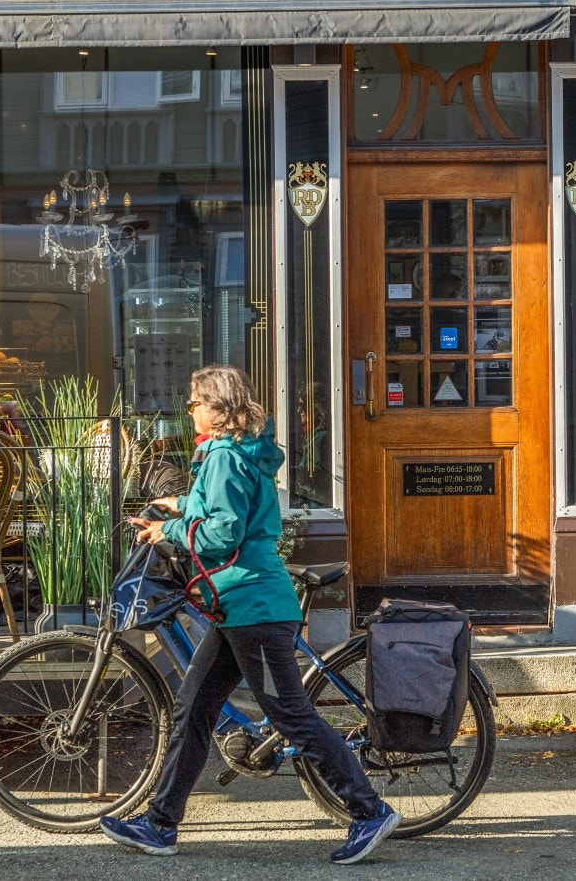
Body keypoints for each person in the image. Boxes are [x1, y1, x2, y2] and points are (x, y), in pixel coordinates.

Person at [100, 364, 399, 863]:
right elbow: (218, 508)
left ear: (217, 408)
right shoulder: (237, 453)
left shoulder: (223, 457)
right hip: (237, 606)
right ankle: (159, 824)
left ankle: (368, 811)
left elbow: (222, 535)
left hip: (253, 605)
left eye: (196, 400)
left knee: (290, 714)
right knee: (194, 709)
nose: (189, 408)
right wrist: (176, 505)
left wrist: (167, 534)